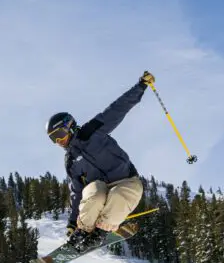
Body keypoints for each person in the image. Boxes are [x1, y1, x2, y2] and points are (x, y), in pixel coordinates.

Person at [47, 71, 153, 247]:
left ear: (69, 126)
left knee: (118, 195)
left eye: (59, 135)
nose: (58, 142)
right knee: (94, 193)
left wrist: (141, 86)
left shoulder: (92, 131)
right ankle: (83, 232)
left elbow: (117, 108)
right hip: (101, 189)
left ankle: (101, 231)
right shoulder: (71, 160)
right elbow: (77, 192)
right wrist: (73, 223)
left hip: (127, 182)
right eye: (53, 139)